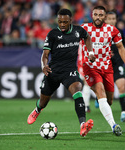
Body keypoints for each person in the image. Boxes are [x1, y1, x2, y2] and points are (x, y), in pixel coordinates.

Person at [27, 9, 96, 137]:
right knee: (43, 102)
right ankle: (37, 110)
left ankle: (82, 125)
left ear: (71, 20)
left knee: (77, 89)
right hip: (53, 72)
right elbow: (45, 55)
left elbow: (87, 37)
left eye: (65, 22)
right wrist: (44, 66)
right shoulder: (52, 34)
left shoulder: (78, 31)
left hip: (69, 70)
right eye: (60, 22)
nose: (62, 24)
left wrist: (90, 52)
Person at [80, 6, 125, 136]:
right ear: (92, 15)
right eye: (96, 14)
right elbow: (72, 42)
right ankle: (114, 125)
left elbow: (121, 47)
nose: (98, 17)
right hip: (90, 67)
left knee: (109, 100)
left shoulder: (112, 30)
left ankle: (100, 100)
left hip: (107, 68)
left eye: (101, 15)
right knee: (100, 91)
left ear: (104, 17)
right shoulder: (84, 28)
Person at [105, 10, 125, 122]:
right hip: (105, 65)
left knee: (122, 87)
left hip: (118, 63)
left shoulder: (118, 31)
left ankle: (124, 113)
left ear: (116, 20)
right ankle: (97, 97)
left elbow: (124, 42)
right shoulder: (100, 33)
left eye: (113, 19)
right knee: (104, 91)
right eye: (109, 19)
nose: (111, 21)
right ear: (105, 20)